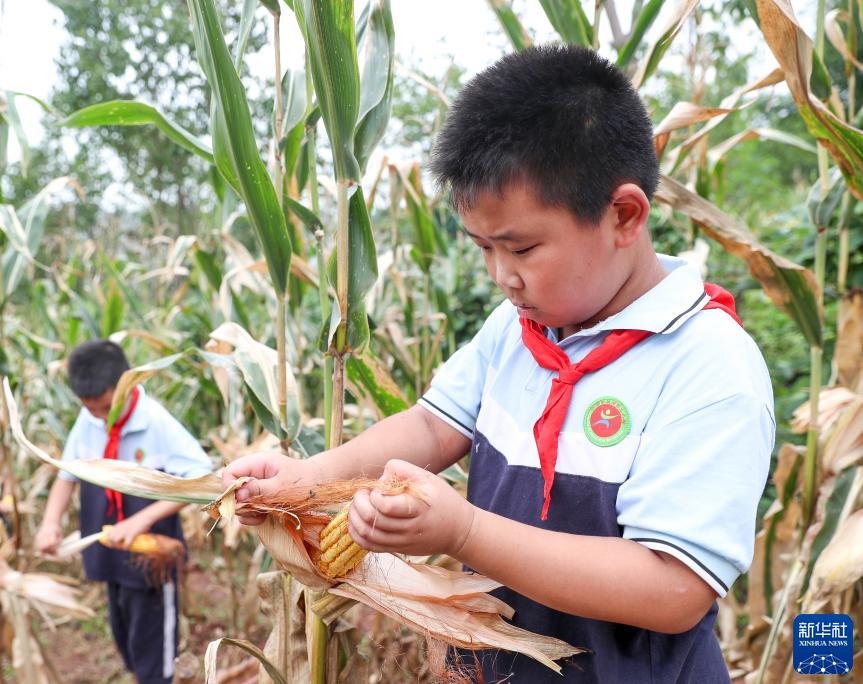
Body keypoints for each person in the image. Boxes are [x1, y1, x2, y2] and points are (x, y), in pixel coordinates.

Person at [223, 45, 774, 682]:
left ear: (623, 216)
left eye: (522, 248)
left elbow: (673, 590)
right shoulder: (515, 328)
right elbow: (433, 427)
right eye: (483, 248)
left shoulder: (708, 364)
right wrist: (306, 478)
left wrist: (463, 533)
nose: (501, 277)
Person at [35, 340, 212, 684]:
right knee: (127, 643)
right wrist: (50, 522)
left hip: (151, 564)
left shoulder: (156, 423)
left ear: (127, 384)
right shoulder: (88, 420)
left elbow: (201, 478)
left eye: (105, 408)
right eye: (91, 410)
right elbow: (66, 475)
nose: (100, 418)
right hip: (110, 557)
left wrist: (141, 520)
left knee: (155, 661)